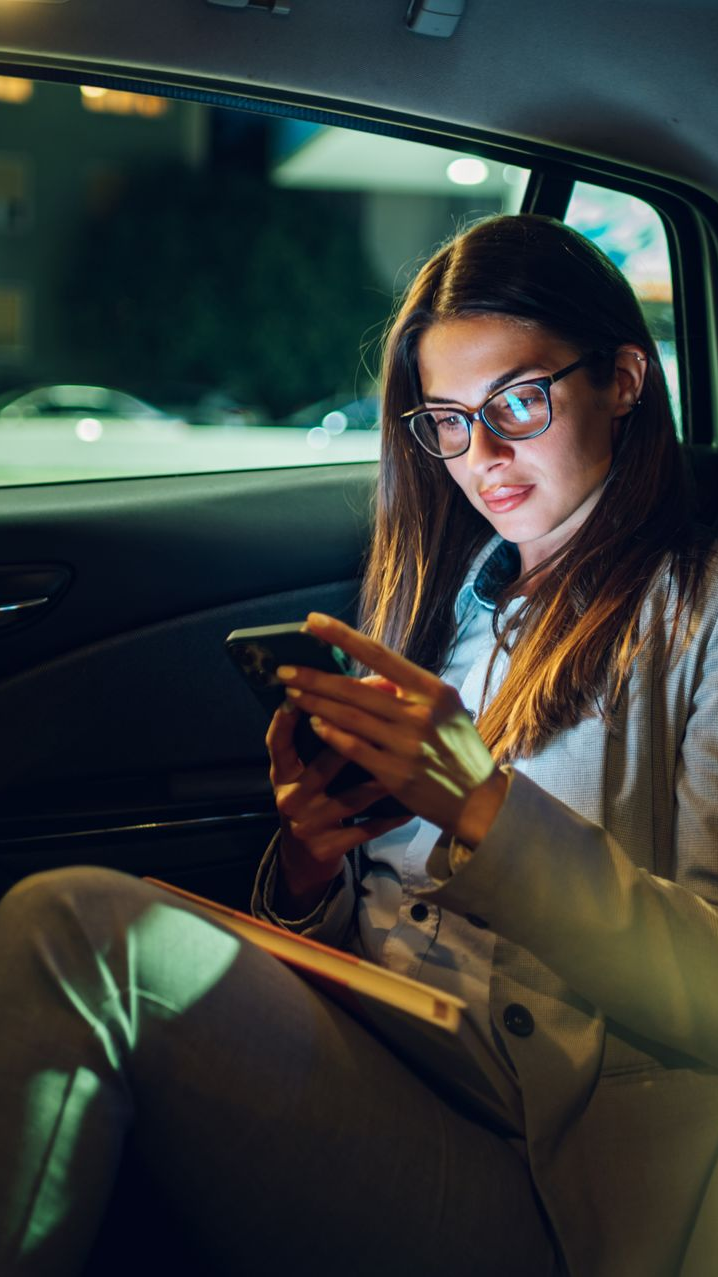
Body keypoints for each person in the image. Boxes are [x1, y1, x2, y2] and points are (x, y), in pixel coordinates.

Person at [1, 214, 717, 1277]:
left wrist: (486, 810)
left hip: (554, 1166)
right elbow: (376, 921)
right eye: (447, 420)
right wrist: (309, 866)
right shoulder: (450, 601)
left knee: (70, 926)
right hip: (396, 1051)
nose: (482, 456)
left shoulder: (696, 613)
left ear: (622, 378)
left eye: (518, 401)